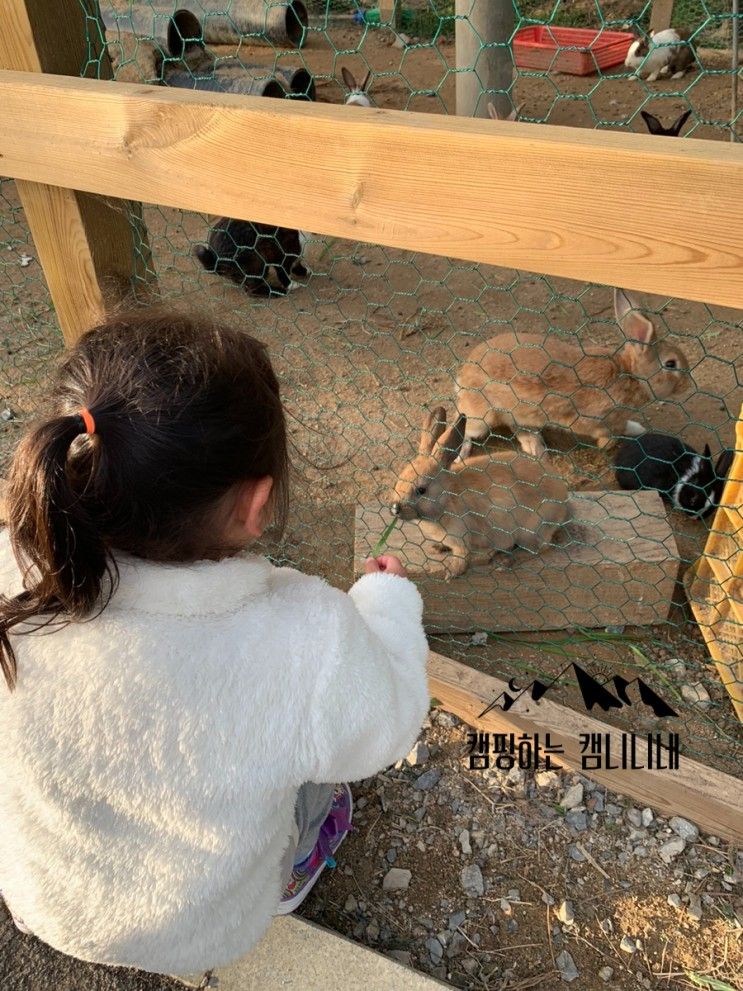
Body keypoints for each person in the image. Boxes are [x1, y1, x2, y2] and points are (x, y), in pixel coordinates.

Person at [0, 309, 429, 978]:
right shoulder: (308, 636)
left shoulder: (10, 574)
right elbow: (385, 730)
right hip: (202, 928)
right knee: (325, 778)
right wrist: (386, 603)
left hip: (47, 899)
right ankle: (290, 877)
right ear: (255, 504)